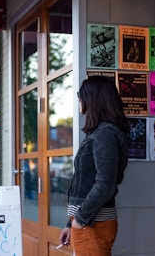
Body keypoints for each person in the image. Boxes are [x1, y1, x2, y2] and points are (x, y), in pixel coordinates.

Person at [59, 75, 130, 256]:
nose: (78, 100)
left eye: (81, 95)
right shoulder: (98, 133)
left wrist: (80, 219)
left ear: (93, 100)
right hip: (87, 222)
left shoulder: (105, 134)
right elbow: (86, 184)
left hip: (92, 224)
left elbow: (105, 184)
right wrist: (71, 223)